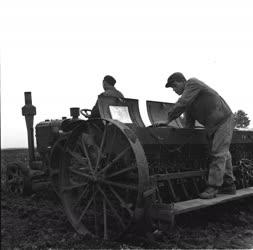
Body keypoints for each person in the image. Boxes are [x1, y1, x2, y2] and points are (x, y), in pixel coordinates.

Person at [156, 72, 236, 199]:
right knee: (223, 153)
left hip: (223, 120)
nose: (174, 90)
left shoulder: (192, 83)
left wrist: (167, 120)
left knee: (218, 153)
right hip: (213, 126)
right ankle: (229, 185)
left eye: (174, 86)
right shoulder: (190, 104)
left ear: (182, 82)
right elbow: (189, 126)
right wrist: (175, 132)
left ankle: (213, 187)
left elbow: (182, 102)